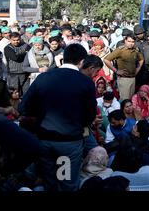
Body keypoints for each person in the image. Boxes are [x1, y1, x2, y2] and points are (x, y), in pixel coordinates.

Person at [19, 44, 97, 191]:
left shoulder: (44, 78)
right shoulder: (85, 82)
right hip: (67, 143)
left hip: (44, 139)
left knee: (50, 181)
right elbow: (89, 116)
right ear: (81, 62)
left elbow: (24, 108)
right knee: (65, 181)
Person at [104, 33, 144, 101]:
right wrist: (116, 71)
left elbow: (141, 59)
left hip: (133, 78)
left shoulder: (135, 50)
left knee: (131, 100)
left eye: (133, 42)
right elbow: (106, 60)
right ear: (125, 41)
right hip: (124, 79)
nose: (131, 43)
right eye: (129, 41)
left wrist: (138, 69)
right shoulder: (120, 50)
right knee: (124, 101)